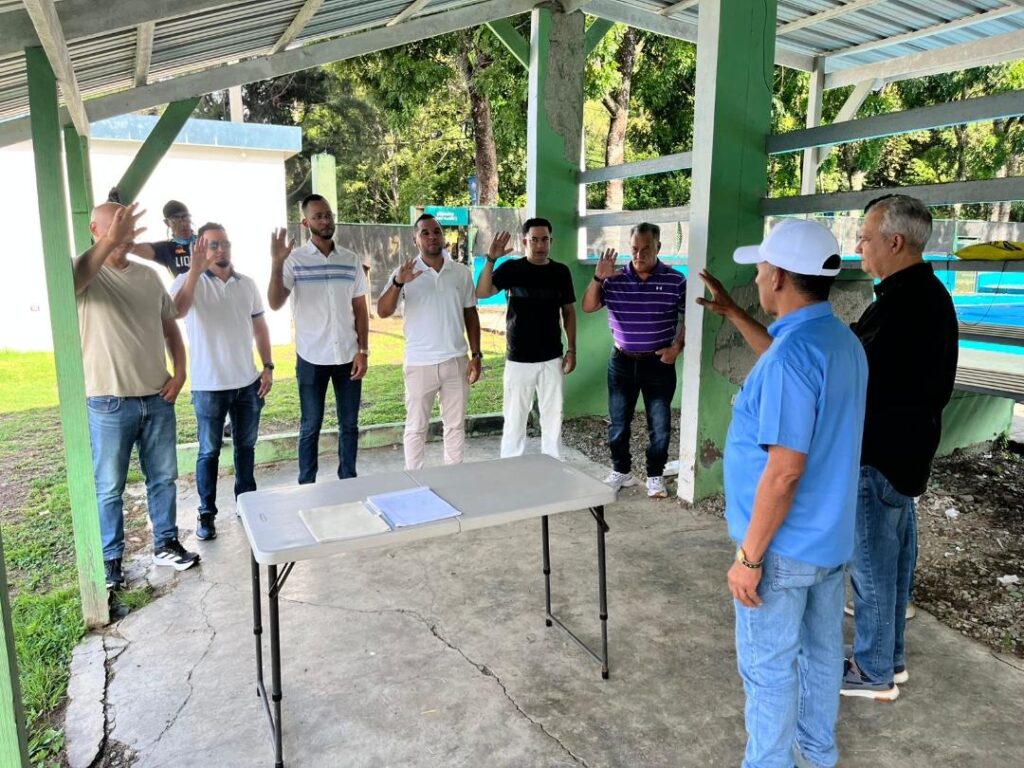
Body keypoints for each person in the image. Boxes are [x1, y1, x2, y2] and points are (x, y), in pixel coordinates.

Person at [699, 218, 868, 768]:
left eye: (762, 267)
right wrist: (734, 314)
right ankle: (818, 756)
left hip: (781, 548)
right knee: (819, 658)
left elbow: (785, 472)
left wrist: (749, 557)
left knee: (768, 669)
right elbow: (779, 356)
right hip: (828, 541)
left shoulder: (793, 358)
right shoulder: (839, 341)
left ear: (778, 277)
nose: (757, 275)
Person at [841, 194, 959, 700]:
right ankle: (889, 659)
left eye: (865, 238)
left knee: (871, 568)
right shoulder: (919, 295)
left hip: (881, 456)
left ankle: (873, 670)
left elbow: (863, 372)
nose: (859, 246)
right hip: (905, 454)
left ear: (894, 242)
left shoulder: (906, 305)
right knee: (890, 565)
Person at [75, 202, 199, 589]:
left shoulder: (148, 276)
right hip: (108, 402)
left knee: (163, 477)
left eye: (128, 225)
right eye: (116, 225)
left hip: (157, 397)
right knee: (109, 486)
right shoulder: (83, 273)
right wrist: (110, 241)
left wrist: (180, 373)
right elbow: (74, 280)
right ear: (95, 229)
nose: (125, 232)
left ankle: (166, 543)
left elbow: (171, 329)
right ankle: (111, 560)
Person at [170, 223, 274, 541]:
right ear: (199, 248)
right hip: (208, 385)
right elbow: (176, 311)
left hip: (247, 382)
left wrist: (267, 366)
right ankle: (206, 514)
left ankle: (247, 503)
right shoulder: (186, 281)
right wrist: (194, 270)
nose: (220, 250)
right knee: (209, 451)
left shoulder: (247, 284)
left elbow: (260, 327)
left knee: (245, 447)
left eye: (224, 243)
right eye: (212, 245)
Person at [268, 194, 369, 483]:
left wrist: (363, 350)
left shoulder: (350, 260)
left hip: (348, 356)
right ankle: (306, 486)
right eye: (318, 217)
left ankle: (348, 481)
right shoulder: (294, 260)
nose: (325, 221)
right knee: (310, 425)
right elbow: (275, 302)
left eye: (328, 215)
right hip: (311, 357)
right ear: (306, 223)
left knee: (349, 424)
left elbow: (361, 309)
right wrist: (276, 263)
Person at [581, 222, 686, 498]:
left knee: (659, 424)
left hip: (659, 364)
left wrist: (676, 348)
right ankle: (621, 471)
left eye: (646, 249)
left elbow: (691, 317)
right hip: (622, 362)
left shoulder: (675, 280)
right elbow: (588, 306)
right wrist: (598, 278)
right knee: (618, 422)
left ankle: (655, 475)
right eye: (634, 249)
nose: (639, 255)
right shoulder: (614, 279)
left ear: (658, 247)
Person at [377, 213, 482, 469]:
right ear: (415, 239)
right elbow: (383, 311)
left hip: (455, 361)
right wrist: (398, 283)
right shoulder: (404, 272)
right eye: (425, 232)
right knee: (416, 427)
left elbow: (471, 313)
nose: (432, 237)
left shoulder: (460, 273)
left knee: (455, 425)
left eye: (436, 231)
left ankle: (454, 476)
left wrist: (476, 354)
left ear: (443, 236)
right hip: (419, 363)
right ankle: (415, 479)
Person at [475, 218, 577, 459]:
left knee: (553, 416)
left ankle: (553, 463)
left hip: (551, 357)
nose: (540, 245)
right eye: (534, 240)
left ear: (551, 241)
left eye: (544, 240)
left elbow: (569, 312)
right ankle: (511, 467)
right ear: (524, 241)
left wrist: (572, 350)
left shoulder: (560, 272)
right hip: (518, 359)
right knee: (515, 418)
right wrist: (491, 259)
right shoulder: (512, 269)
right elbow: (482, 292)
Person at [131, 200, 196, 276]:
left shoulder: (204, 239)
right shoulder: (165, 249)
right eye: (176, 219)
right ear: (167, 223)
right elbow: (131, 248)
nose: (183, 224)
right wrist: (126, 232)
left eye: (185, 217)